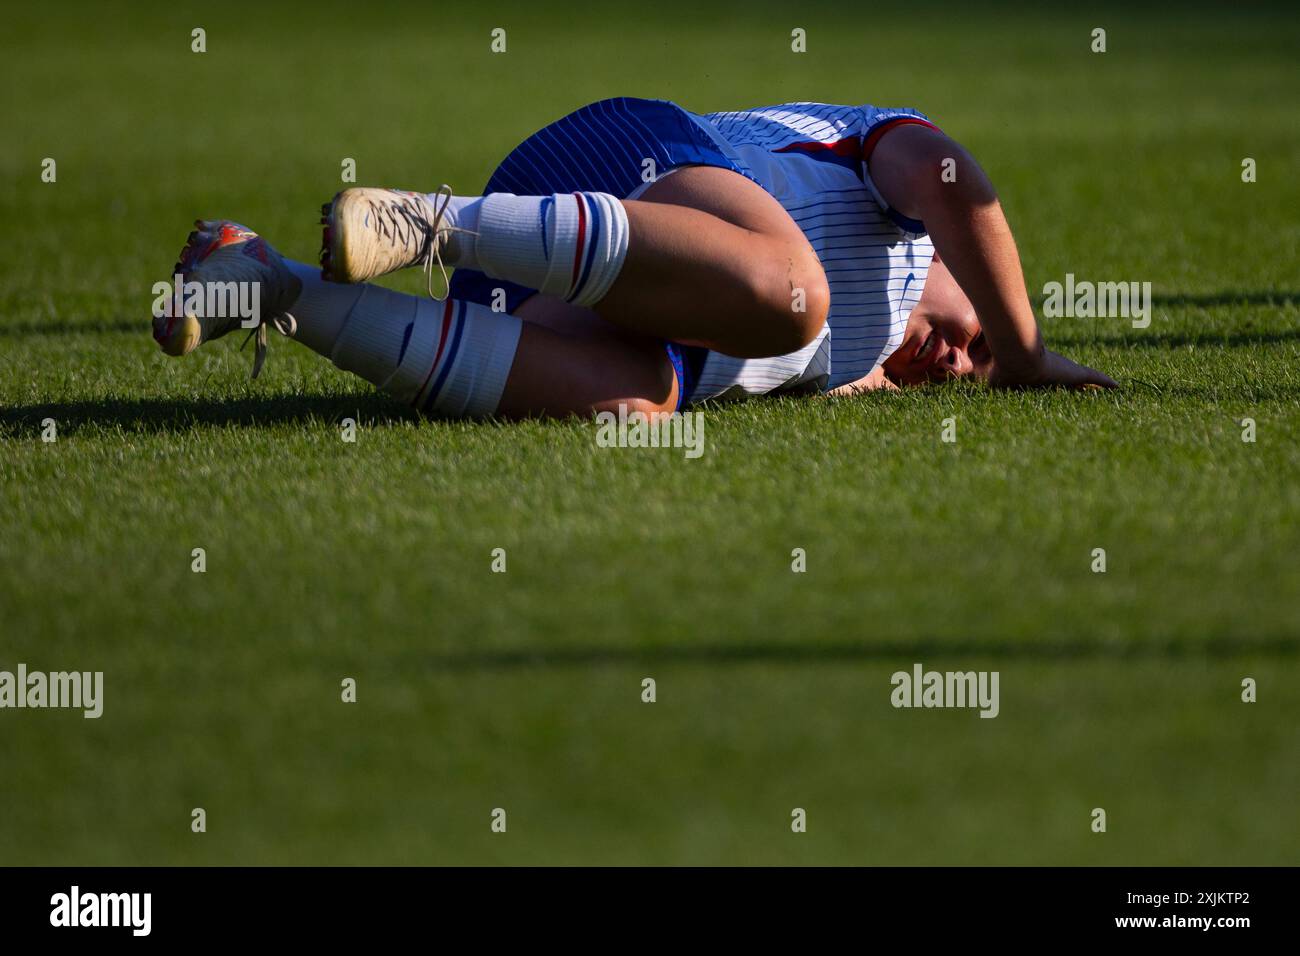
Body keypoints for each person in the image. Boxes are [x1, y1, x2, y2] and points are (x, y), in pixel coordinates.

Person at [152, 97, 1115, 418]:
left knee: (630, 404)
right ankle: (430, 221)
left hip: (587, 275)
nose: (958, 359)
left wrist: (855, 377)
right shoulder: (889, 179)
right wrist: (1026, 358)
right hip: (619, 161)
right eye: (975, 337)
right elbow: (955, 181)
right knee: (793, 295)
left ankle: (270, 285)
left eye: (970, 371)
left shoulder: (858, 361)